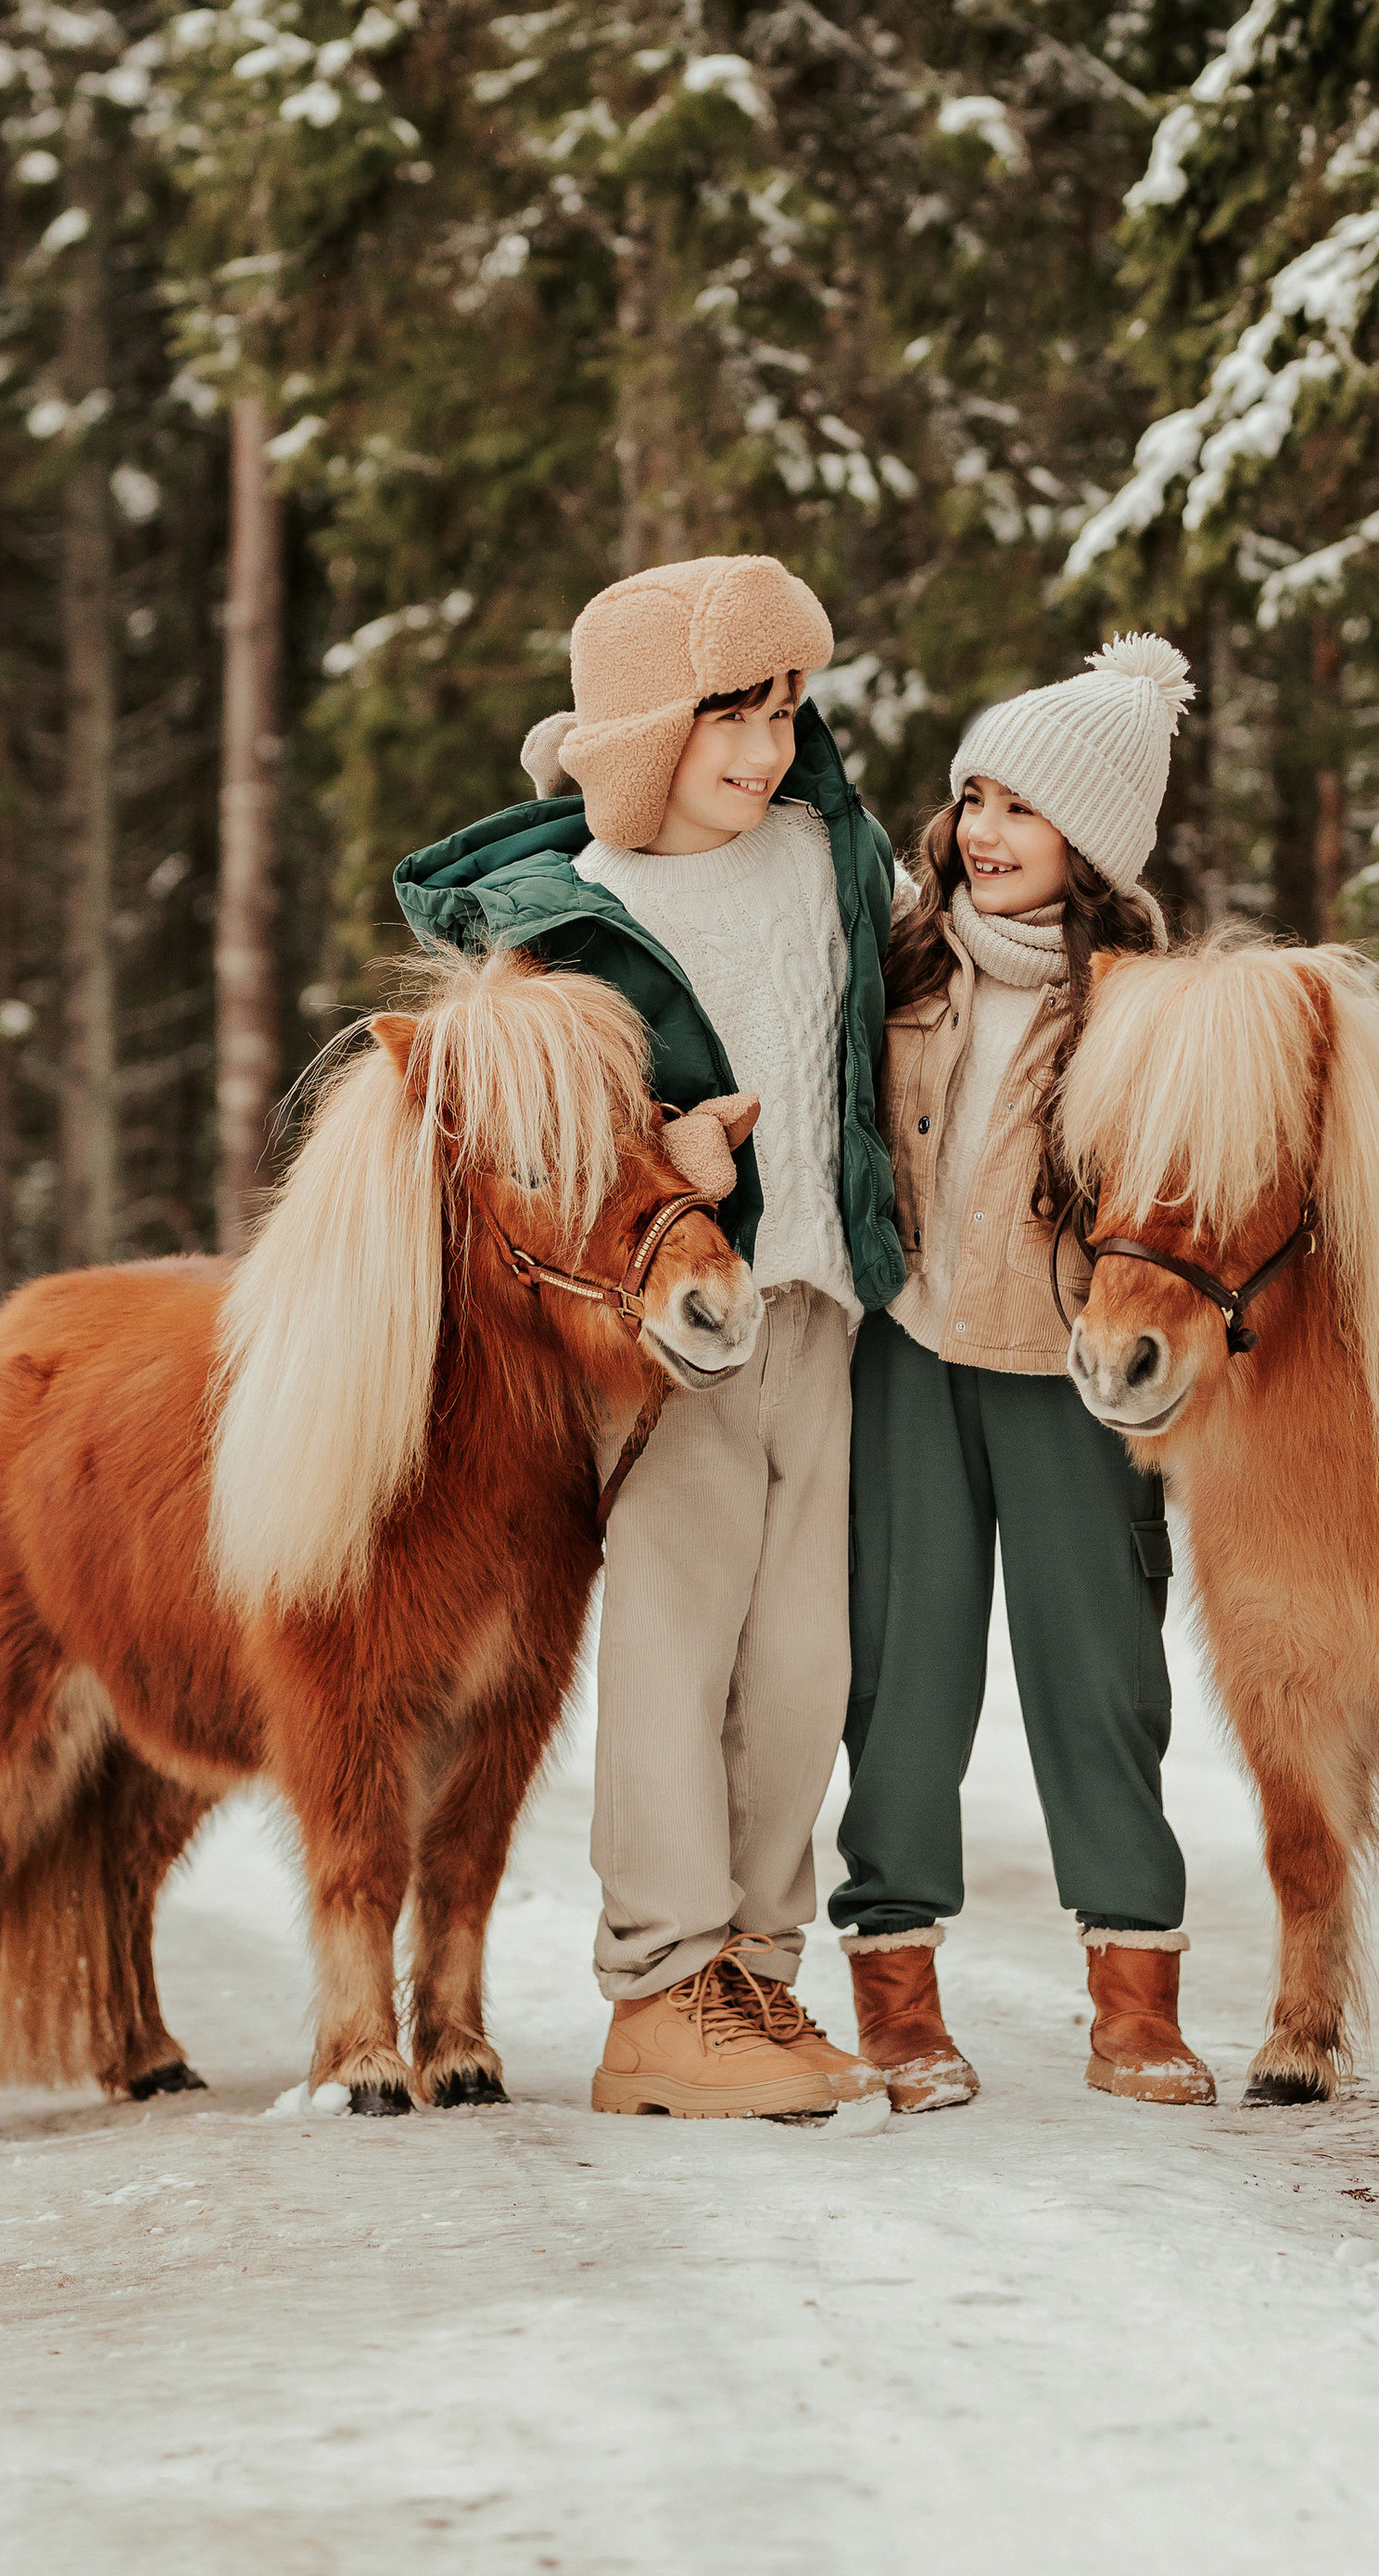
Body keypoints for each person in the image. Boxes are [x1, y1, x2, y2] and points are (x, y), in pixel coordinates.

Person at [394, 554, 903, 2123]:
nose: (764, 748)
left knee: (806, 1662)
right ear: (636, 731)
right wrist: (668, 1168)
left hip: (820, 1307)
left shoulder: (831, 858)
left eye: (785, 710)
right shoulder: (574, 924)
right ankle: (659, 1989)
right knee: (680, 1655)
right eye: (726, 715)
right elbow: (538, 1158)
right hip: (668, 1343)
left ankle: (756, 1968)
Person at [830, 636, 1216, 2111]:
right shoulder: (903, 965)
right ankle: (898, 2000)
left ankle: (1135, 2007)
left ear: (1093, 847)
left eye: (1022, 811)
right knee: (903, 1678)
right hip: (910, 1357)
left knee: (1098, 1680)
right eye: (972, 799)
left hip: (1072, 1378)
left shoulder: (1143, 1009)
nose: (982, 833)